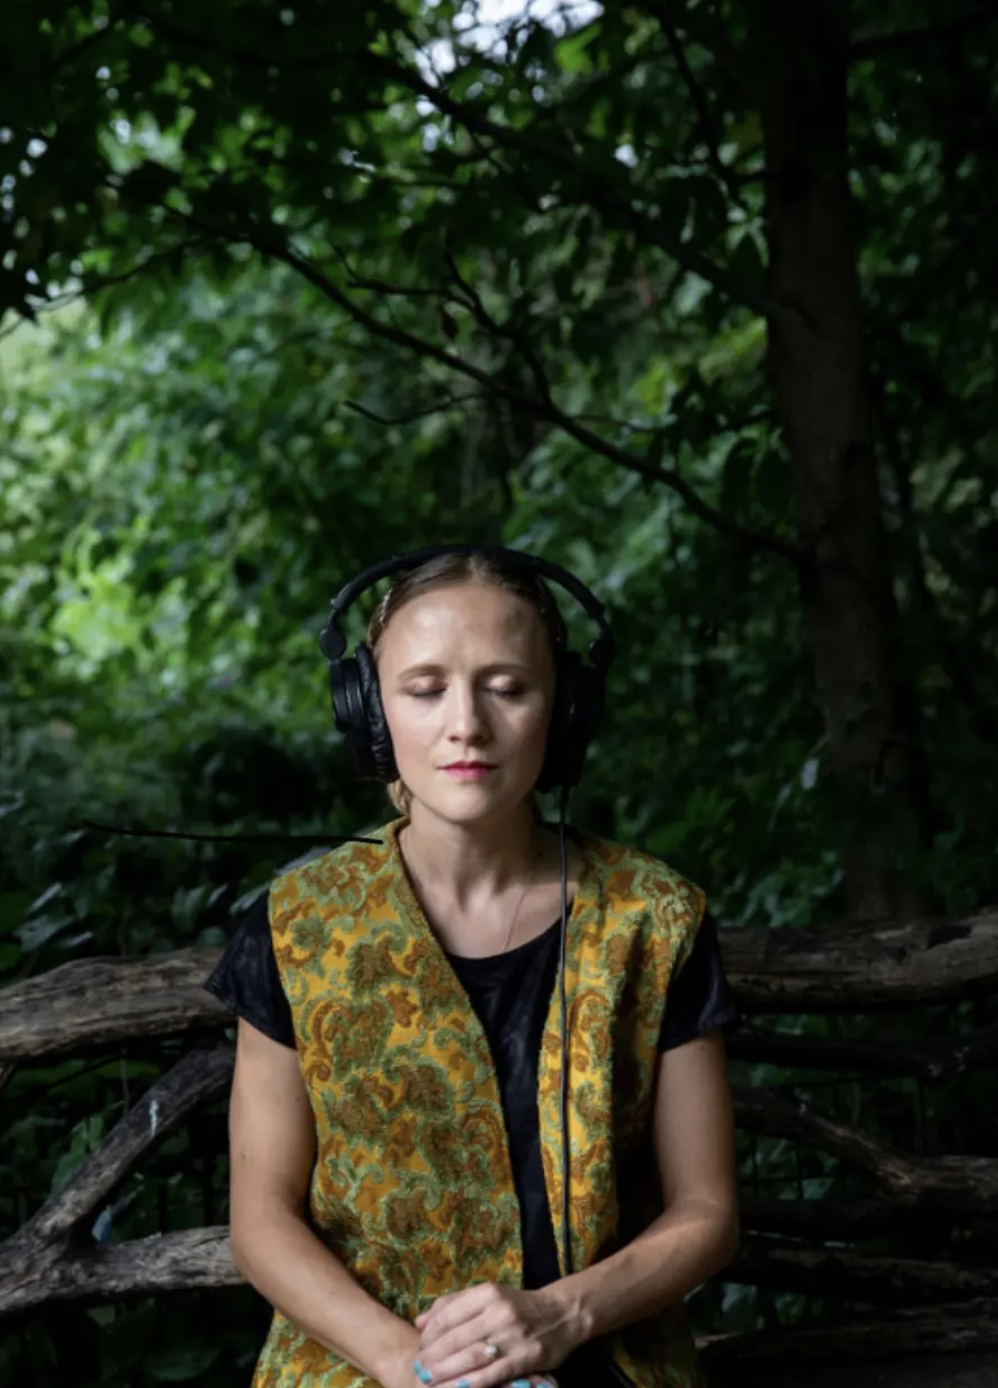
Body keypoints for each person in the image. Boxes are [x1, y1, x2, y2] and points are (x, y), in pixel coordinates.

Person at [205, 546, 739, 1388]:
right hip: (360, 1366)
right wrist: (409, 1362)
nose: (467, 725)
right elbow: (261, 1217)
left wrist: (561, 1315)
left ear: (565, 710)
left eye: (508, 688)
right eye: (424, 690)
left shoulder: (654, 918)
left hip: (598, 1358)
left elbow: (706, 1209)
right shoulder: (298, 924)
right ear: (369, 712)